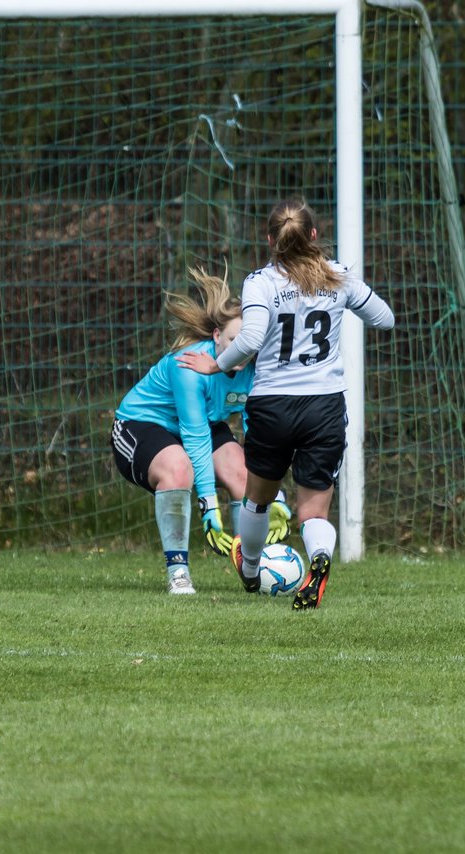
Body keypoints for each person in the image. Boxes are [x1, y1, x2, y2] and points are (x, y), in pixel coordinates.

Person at [176, 200, 394, 609]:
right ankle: (320, 558)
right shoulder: (338, 277)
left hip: (274, 405)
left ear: (271, 240)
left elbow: (252, 338)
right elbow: (384, 318)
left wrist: (216, 366)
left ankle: (252, 568)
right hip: (324, 406)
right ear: (313, 236)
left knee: (257, 499)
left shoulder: (261, 282)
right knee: (313, 510)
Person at [111, 266, 290, 595]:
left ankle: (253, 569)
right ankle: (178, 573)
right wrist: (209, 504)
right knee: (180, 469)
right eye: (234, 340)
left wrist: (273, 497)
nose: (241, 350)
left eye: (247, 342)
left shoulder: (256, 369)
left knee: (244, 475)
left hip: (202, 426)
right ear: (216, 336)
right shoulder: (190, 366)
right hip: (140, 425)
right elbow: (194, 434)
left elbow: (259, 435)